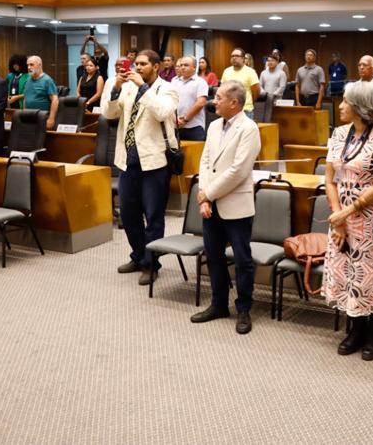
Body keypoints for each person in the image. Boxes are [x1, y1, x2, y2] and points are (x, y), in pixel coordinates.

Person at [324, 81, 373, 359]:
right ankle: (354, 329)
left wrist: (346, 213)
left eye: (345, 101)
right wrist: (338, 217)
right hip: (343, 217)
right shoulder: (339, 133)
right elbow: (330, 179)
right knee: (349, 270)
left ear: (360, 107)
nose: (341, 106)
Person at [104, 49, 179, 286]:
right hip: (128, 161)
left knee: (153, 216)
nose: (137, 68)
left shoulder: (167, 88)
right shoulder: (127, 87)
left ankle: (151, 263)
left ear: (156, 66)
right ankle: (137, 256)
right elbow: (109, 113)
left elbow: (162, 112)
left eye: (143, 64)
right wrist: (115, 89)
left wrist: (143, 89)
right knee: (128, 214)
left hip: (154, 163)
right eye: (136, 64)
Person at [192, 81, 262, 335]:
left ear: (234, 103)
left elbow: (239, 171)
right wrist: (205, 197)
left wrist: (207, 194)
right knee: (214, 257)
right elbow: (205, 161)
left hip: (236, 205)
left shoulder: (249, 128)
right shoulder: (212, 126)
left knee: (243, 260)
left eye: (219, 97)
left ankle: (243, 309)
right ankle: (218, 304)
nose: (214, 101)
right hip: (211, 204)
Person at [172, 56, 209, 142]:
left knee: (196, 154)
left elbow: (200, 103)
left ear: (194, 68)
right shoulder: (174, 81)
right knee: (176, 154)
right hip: (176, 126)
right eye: (181, 65)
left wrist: (185, 119)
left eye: (186, 65)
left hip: (194, 127)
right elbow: (170, 102)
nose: (182, 67)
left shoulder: (200, 82)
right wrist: (175, 119)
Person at [220, 48, 261, 119]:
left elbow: (256, 91)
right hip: (229, 110)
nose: (234, 58)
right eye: (232, 56)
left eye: (236, 56)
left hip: (245, 110)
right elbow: (222, 89)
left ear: (243, 58)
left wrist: (249, 101)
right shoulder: (226, 71)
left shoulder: (250, 72)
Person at [23, 56, 59, 130]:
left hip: (42, 118)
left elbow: (55, 100)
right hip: (29, 118)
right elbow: (25, 98)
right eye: (28, 65)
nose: (29, 67)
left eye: (31, 64)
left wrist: (51, 118)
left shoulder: (47, 80)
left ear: (39, 65)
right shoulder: (27, 80)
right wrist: (24, 114)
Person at [257, 55, 286, 124]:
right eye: (268, 61)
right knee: (265, 118)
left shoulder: (282, 73)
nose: (270, 62)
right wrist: (264, 93)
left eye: (272, 61)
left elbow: (282, 87)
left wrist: (273, 94)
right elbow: (260, 85)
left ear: (277, 62)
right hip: (265, 99)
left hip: (276, 100)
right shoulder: (263, 73)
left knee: (275, 120)